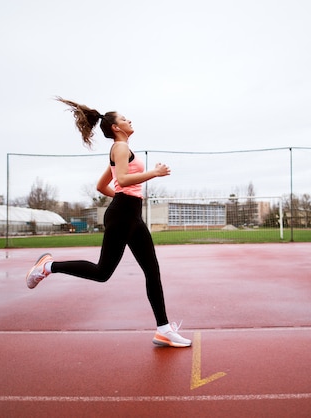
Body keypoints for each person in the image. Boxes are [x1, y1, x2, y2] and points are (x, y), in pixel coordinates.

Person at [25, 97, 191, 348]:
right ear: (115, 127)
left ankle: (164, 329)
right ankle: (48, 266)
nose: (129, 120)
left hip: (129, 213)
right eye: (124, 119)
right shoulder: (120, 147)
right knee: (103, 272)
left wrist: (128, 196)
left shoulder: (120, 150)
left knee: (152, 270)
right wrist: (154, 174)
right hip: (123, 214)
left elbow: (103, 185)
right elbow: (123, 180)